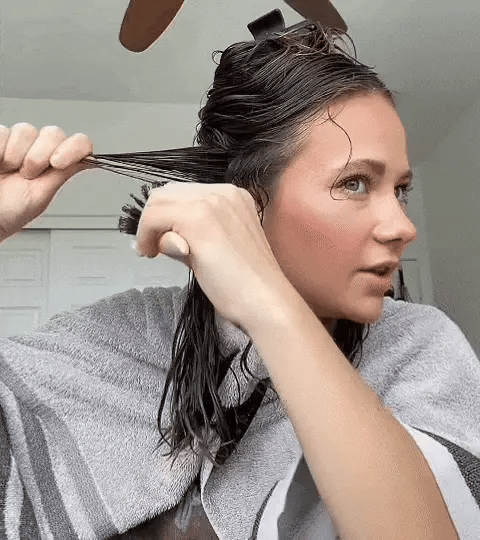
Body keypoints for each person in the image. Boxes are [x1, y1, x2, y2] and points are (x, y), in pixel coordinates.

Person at [0, 20, 479, 540]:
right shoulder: (129, 330)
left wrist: (268, 306)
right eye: (356, 183)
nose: (404, 227)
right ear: (243, 204)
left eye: (401, 190)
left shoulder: (417, 344)